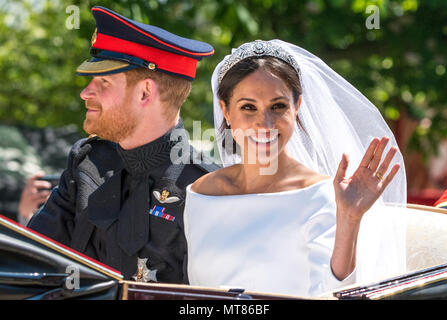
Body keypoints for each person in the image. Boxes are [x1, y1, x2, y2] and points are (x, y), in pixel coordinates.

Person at [183, 40, 408, 297]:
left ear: (297, 107)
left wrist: (350, 219)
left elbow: (333, 295)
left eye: (278, 106)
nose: (264, 123)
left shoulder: (324, 194)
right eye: (248, 107)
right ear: (225, 110)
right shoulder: (201, 194)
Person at [27, 6, 218, 283]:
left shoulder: (205, 188)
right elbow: (33, 264)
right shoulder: (87, 163)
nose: (85, 93)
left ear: (145, 92)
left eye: (103, 82)